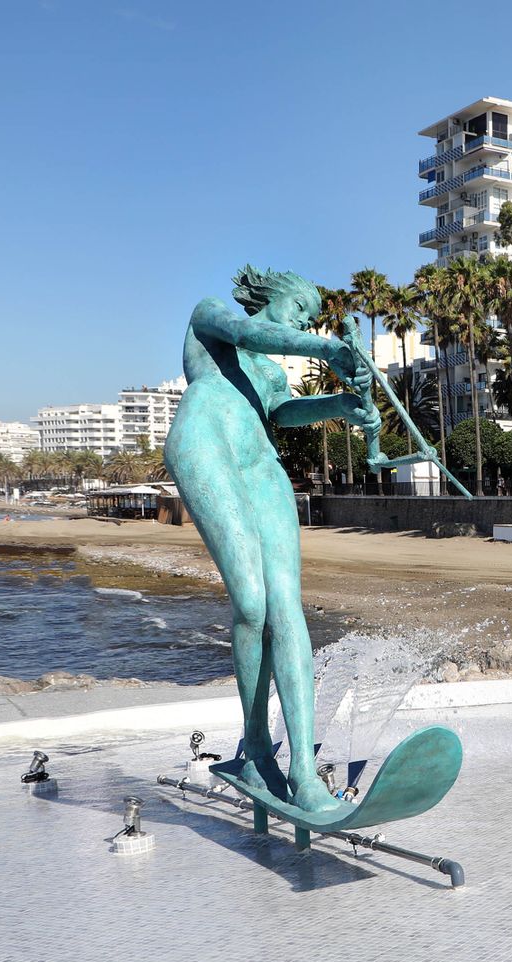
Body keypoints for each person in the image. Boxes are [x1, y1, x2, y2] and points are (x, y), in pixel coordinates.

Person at [164, 266, 378, 813]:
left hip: (262, 467)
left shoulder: (274, 376)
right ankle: (257, 750)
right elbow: (253, 335)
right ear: (272, 294)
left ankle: (303, 771)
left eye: (311, 317)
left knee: (287, 608)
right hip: (206, 442)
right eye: (301, 306)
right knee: (252, 603)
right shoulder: (212, 316)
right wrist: (326, 347)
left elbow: (281, 412)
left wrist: (341, 406)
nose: (306, 318)